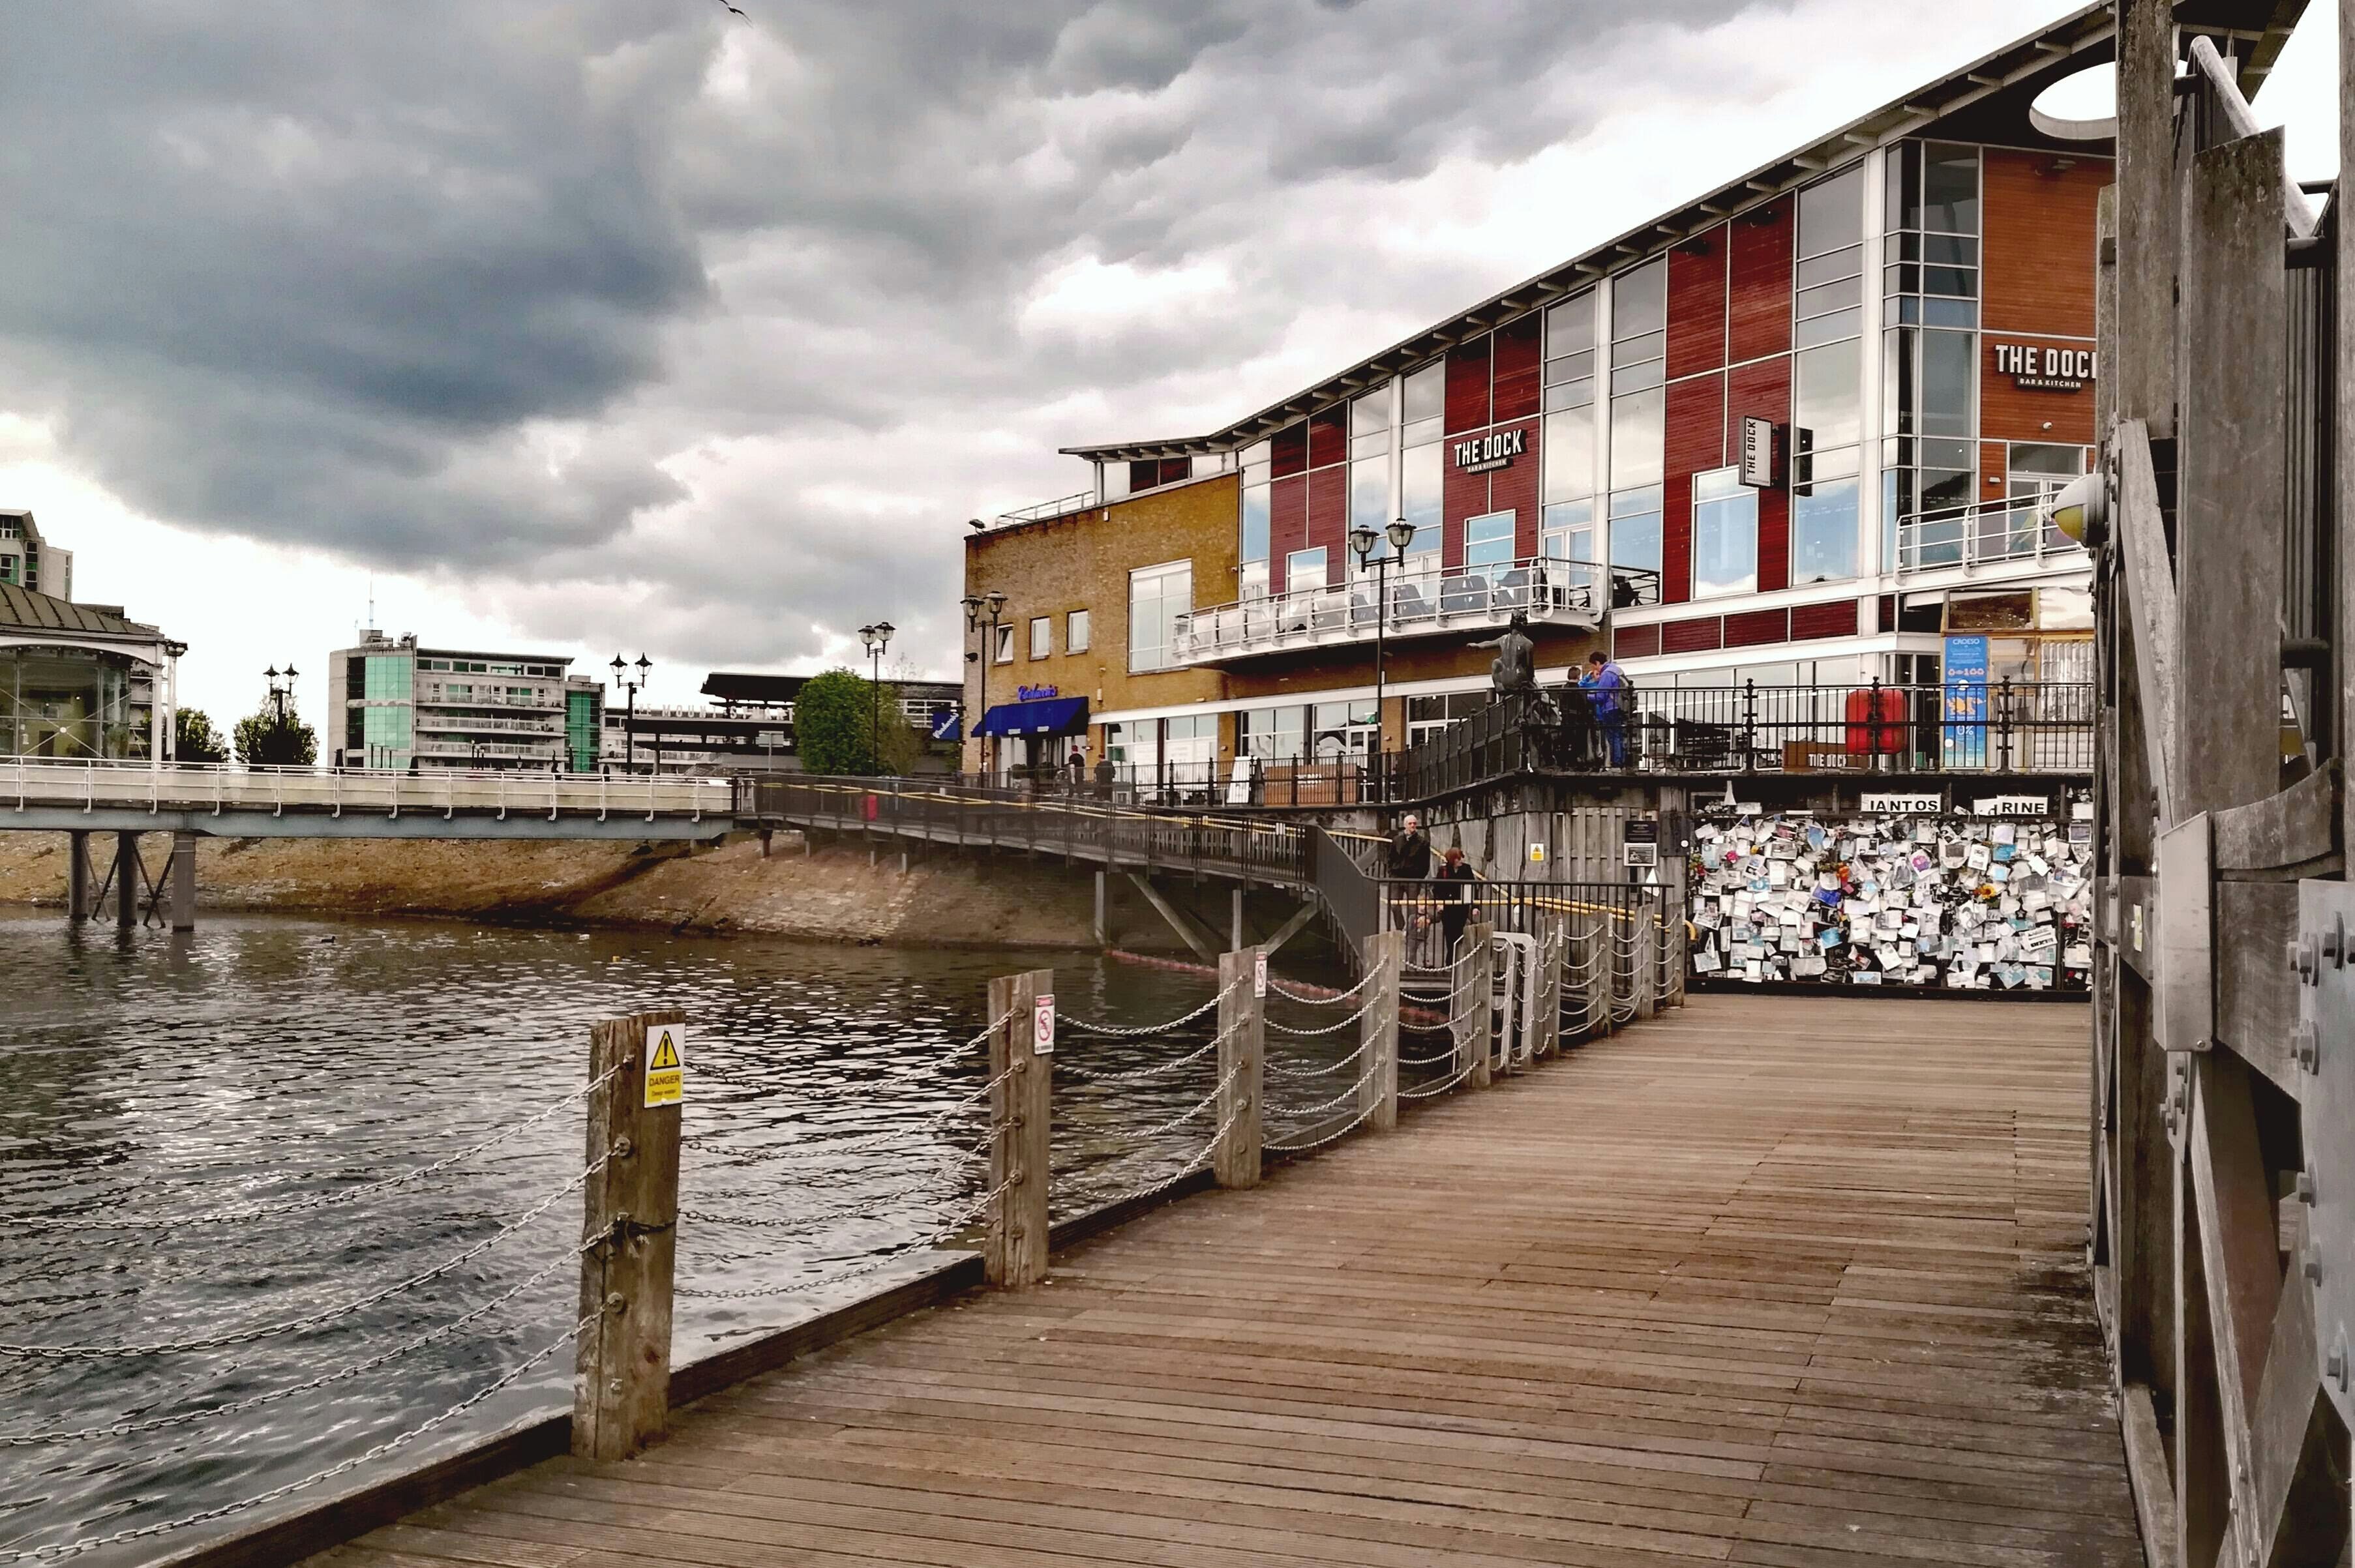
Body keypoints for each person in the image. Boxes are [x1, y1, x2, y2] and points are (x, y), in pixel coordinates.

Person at [1580, 650, 1629, 769]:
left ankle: (1616, 763)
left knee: (1613, 737)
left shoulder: (1607, 674)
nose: (1594, 669)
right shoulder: (1616, 670)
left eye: (1593, 665)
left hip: (1610, 708)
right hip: (1620, 707)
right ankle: (1621, 762)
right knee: (1618, 736)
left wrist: (1586, 697)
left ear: (1597, 663)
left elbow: (1601, 696)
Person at [1434, 846, 1477, 960]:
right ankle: (1451, 957)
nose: (1461, 861)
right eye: (1458, 859)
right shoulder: (1444, 870)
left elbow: (1473, 888)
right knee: (1449, 932)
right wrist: (1439, 903)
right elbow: (1437, 888)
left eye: (1462, 858)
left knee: (1458, 931)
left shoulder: (1466, 869)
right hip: (1447, 906)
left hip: (1462, 906)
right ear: (1452, 859)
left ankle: (1455, 957)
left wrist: (1475, 906)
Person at [1387, 812, 1432, 880]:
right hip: (1397, 876)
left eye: (1414, 823)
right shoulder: (1397, 840)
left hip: (1414, 877)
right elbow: (1391, 857)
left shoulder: (1423, 842)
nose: (1412, 825)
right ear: (1405, 825)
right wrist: (1391, 873)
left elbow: (1425, 862)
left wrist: (1420, 877)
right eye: (1410, 824)